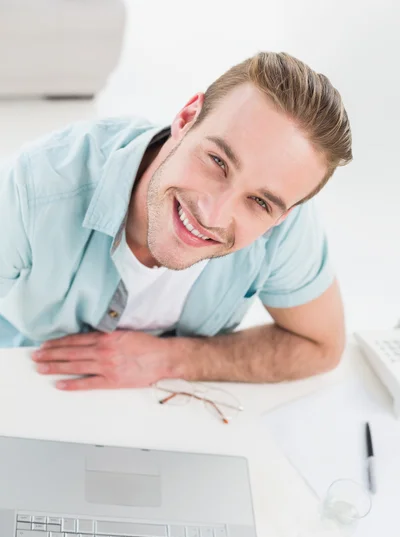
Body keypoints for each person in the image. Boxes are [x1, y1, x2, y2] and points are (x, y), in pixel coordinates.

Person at [0, 51, 351, 392]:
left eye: (259, 202)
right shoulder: (36, 187)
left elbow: (321, 345)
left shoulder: (285, 227)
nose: (212, 215)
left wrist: (173, 359)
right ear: (186, 118)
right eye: (217, 161)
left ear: (284, 215)